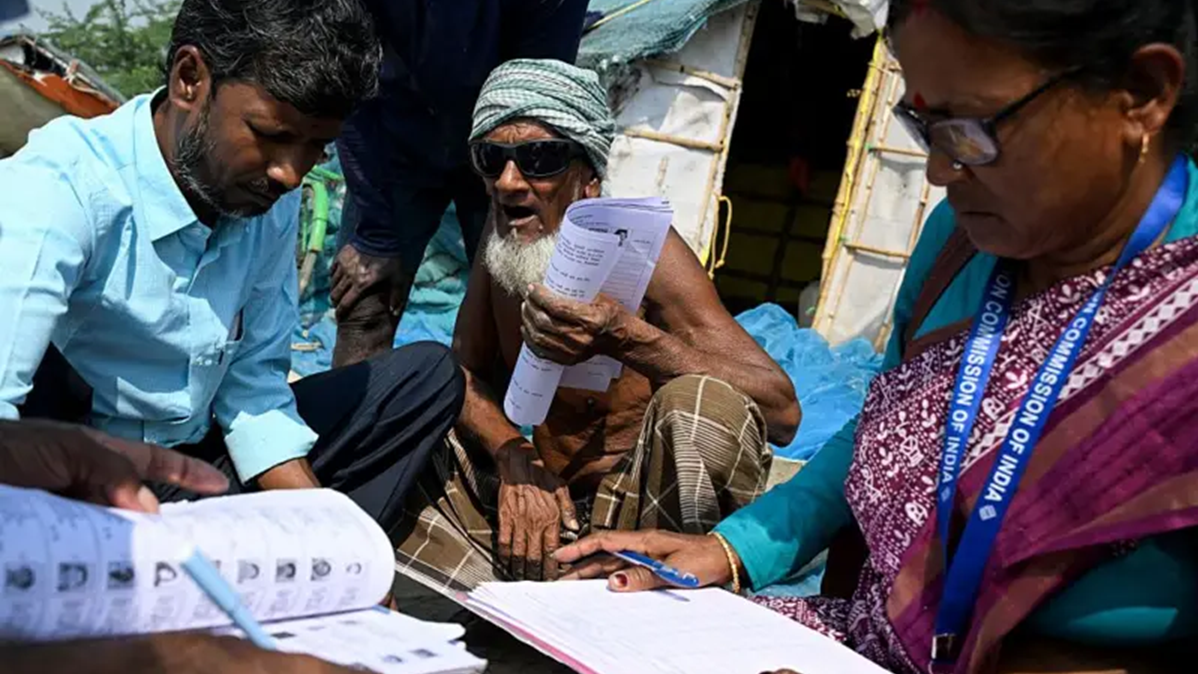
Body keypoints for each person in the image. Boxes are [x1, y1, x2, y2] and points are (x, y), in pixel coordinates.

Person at [557, 1, 1198, 672]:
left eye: (975, 130)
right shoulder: (955, 246)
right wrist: (734, 549)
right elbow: (883, 431)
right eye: (925, 127)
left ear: (1141, 95)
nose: (941, 172)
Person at [0, 0, 464, 535]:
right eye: (271, 134)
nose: (291, 174)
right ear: (190, 79)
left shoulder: (267, 198)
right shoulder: (61, 186)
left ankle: (311, 575)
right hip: (80, 483)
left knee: (424, 379)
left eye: (317, 147)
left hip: (197, 469)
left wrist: (337, 541)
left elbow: (254, 389)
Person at [393, 59, 800, 591]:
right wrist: (513, 455)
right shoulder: (501, 251)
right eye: (492, 160)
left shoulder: (653, 256)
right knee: (407, 397)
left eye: (539, 159)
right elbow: (461, 374)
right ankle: (510, 601)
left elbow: (783, 411)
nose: (510, 183)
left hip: (643, 521)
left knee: (704, 405)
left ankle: (667, 598)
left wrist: (629, 338)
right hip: (539, 515)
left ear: (588, 179)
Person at [328, 0, 590, 367]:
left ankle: (487, 421)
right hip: (388, 142)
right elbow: (344, 72)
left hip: (502, 149)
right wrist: (375, 234)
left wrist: (509, 195)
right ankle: (353, 424)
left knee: (504, 321)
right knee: (366, 301)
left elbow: (536, 91)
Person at [0, 419, 358, 674]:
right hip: (88, 457)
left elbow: (256, 392)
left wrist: (330, 529)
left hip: (120, 464)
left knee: (412, 377)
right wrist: (158, 659)